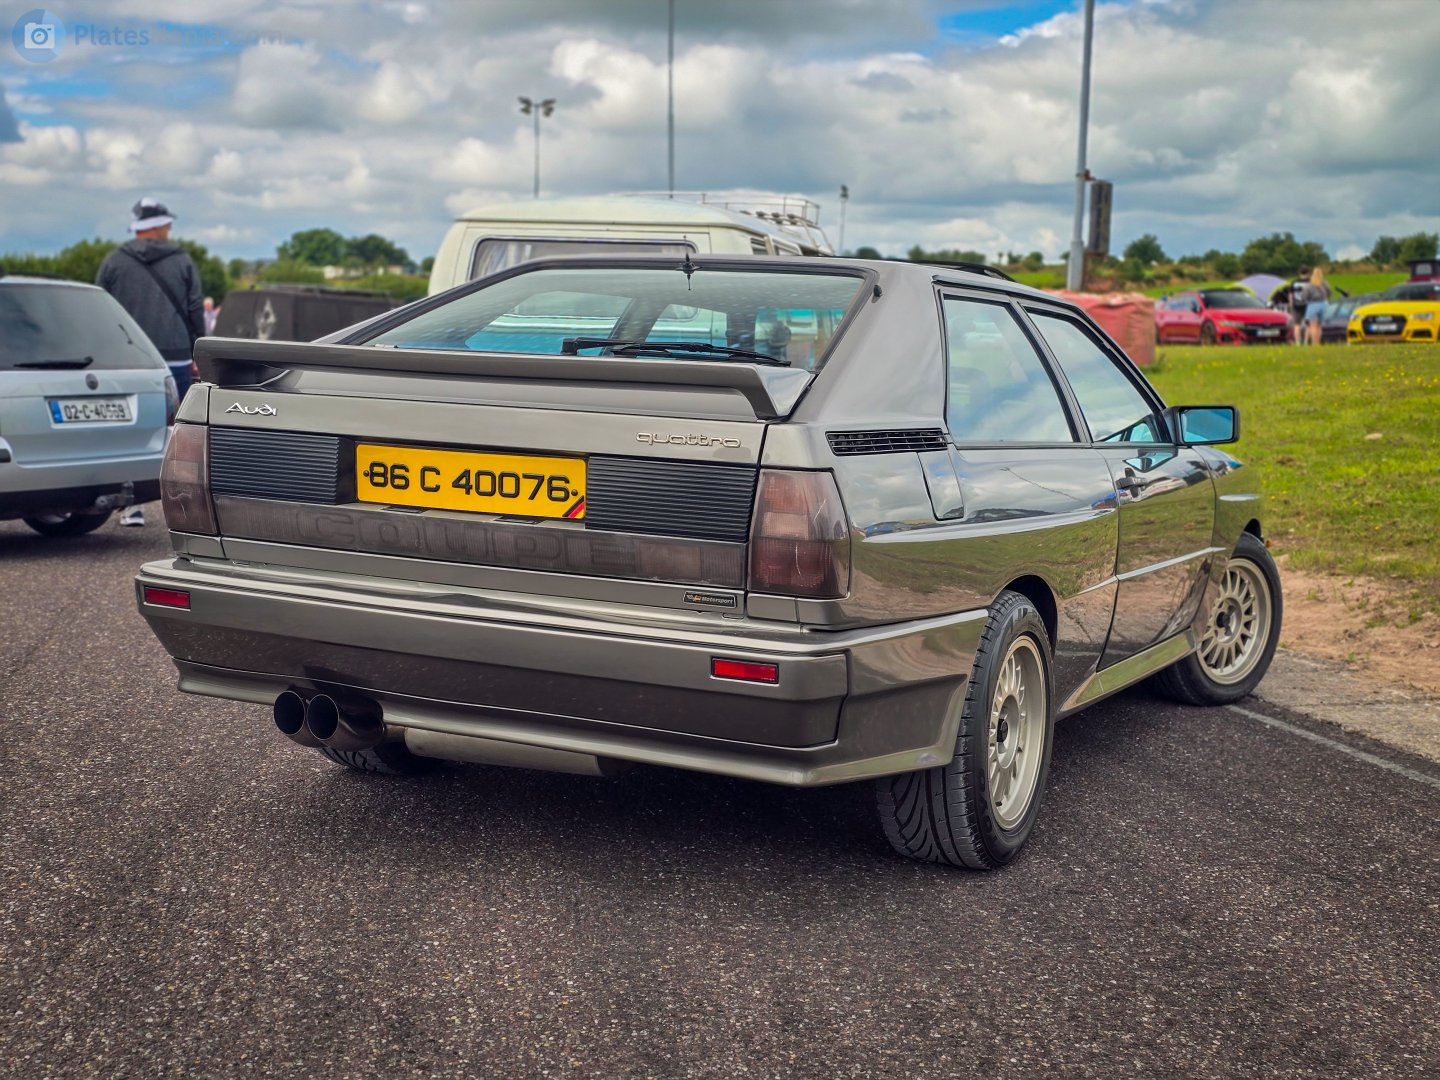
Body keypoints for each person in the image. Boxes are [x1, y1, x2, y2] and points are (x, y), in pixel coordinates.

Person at [97, 197, 205, 526]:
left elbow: (102, 310)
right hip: (174, 356)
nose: (170, 228)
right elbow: (195, 308)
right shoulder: (182, 261)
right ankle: (184, 504)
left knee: (129, 430)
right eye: (166, 223)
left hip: (129, 359)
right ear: (155, 226)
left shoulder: (114, 261)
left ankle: (131, 506)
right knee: (179, 431)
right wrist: (196, 351)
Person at [1301, 266, 1332, 346]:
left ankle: (1314, 343)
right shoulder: (1325, 283)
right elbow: (1329, 293)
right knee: (1319, 326)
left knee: (1313, 326)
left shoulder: (1309, 285)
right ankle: (1318, 342)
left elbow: (1304, 296)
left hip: (1313, 305)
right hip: (1324, 304)